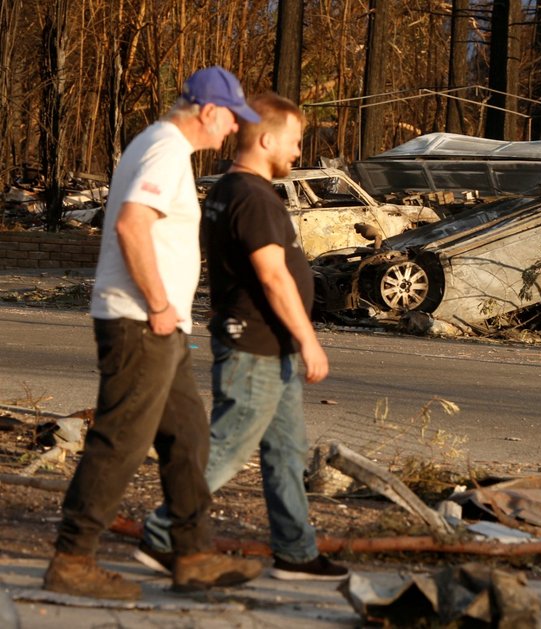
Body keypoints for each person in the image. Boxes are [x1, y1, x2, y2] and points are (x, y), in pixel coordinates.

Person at [44, 66, 265, 601]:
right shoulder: (165, 149)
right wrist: (162, 304)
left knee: (187, 434)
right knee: (121, 439)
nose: (233, 130)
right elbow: (131, 223)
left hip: (158, 325)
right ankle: (72, 559)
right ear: (208, 111)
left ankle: (192, 556)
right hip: (141, 321)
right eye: (232, 119)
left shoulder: (163, 149)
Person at [135, 92, 349, 581]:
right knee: (229, 446)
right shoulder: (252, 196)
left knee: (286, 453)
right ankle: (164, 534)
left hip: (271, 347)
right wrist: (309, 340)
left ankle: (295, 552)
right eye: (295, 142)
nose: (298, 153)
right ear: (268, 139)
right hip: (256, 345)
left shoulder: (232, 190)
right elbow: (271, 275)